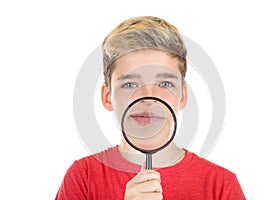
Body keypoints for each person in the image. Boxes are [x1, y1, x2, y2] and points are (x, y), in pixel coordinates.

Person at [55, 16, 246, 199]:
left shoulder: (221, 185)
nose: (149, 97)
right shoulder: (83, 177)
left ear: (183, 96)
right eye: (130, 84)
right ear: (108, 97)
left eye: (165, 84)